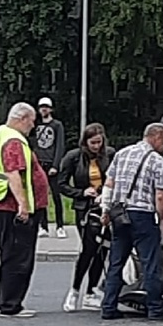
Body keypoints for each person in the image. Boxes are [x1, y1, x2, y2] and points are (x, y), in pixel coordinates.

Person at [101, 122, 163, 322]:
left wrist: (105, 211)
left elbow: (108, 185)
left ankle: (108, 307)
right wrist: (161, 219)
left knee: (116, 263)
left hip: (120, 214)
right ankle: (155, 309)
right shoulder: (158, 161)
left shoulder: (121, 154)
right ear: (156, 137)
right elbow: (160, 196)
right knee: (150, 263)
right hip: (143, 215)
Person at [0, 101, 47, 317]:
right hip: (12, 208)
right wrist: (23, 205)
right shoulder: (14, 140)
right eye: (31, 121)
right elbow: (13, 173)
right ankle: (11, 304)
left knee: (10, 255)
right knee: (19, 258)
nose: (32, 126)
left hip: (0, 203)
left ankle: (0, 298)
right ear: (22, 118)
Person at [59, 120, 112, 312]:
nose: (97, 147)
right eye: (93, 143)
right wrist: (81, 192)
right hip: (84, 208)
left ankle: (91, 291)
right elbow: (61, 184)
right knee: (88, 249)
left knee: (102, 250)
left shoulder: (110, 155)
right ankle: (74, 290)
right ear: (85, 142)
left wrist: (106, 195)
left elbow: (114, 179)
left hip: (104, 207)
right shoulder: (73, 157)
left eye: (99, 142)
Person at [34, 97, 67, 233]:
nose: (44, 109)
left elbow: (60, 145)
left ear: (51, 109)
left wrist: (55, 165)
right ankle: (43, 225)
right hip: (39, 163)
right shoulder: (35, 124)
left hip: (51, 163)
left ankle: (60, 226)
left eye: (46, 107)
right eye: (41, 107)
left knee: (56, 195)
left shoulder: (57, 125)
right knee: (40, 195)